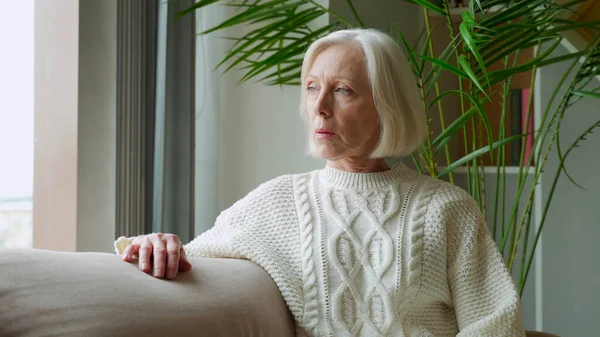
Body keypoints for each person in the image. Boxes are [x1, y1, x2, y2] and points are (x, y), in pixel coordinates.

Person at [114, 28, 526, 336]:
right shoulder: (279, 202)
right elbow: (192, 256)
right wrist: (152, 242)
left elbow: (496, 323)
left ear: (387, 104)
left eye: (342, 90)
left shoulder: (446, 208)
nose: (320, 107)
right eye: (312, 88)